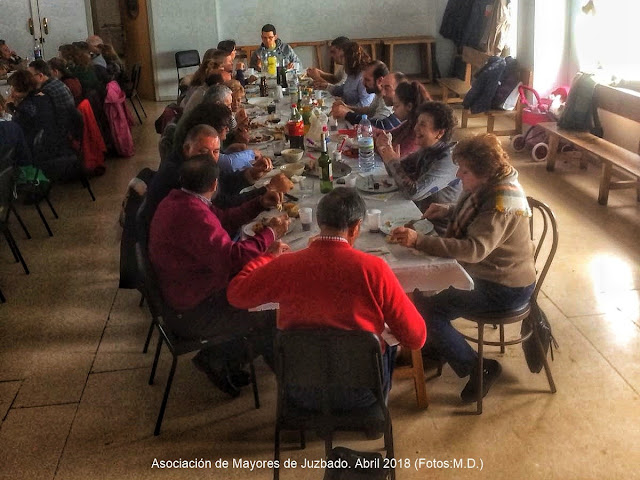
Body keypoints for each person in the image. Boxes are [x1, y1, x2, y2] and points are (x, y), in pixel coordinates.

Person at [227, 187, 426, 409]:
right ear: (356, 227)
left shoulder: (286, 265)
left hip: (299, 390)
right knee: (386, 341)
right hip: (362, 393)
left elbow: (236, 295)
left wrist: (266, 259)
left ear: (320, 223)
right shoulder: (374, 269)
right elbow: (416, 338)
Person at [389, 133, 537, 403]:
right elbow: (474, 215)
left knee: (426, 309)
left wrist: (420, 241)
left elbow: (473, 250)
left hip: (505, 286)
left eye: (465, 170)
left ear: (483, 172)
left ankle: (479, 367)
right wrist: (446, 210)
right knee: (421, 292)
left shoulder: (500, 202)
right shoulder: (492, 185)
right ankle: (438, 345)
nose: (458, 174)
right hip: (496, 274)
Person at [148, 154, 291, 396]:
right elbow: (232, 258)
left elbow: (224, 219)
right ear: (215, 185)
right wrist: (270, 234)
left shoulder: (179, 200)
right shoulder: (193, 215)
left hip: (183, 295)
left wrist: (259, 203)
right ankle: (291, 389)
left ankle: (224, 357)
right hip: (195, 310)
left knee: (261, 287)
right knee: (272, 309)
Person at [378, 101, 461, 213]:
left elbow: (413, 193)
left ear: (440, 133)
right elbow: (395, 173)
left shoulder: (449, 160)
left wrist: (392, 161)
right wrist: (386, 151)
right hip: (417, 214)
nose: (415, 128)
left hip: (437, 227)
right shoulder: (428, 149)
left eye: (422, 124)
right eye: (417, 123)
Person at [6, 69, 78, 180]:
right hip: (57, 141)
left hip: (41, 152)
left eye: (13, 88)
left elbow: (16, 131)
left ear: (20, 88)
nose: (12, 93)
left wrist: (12, 108)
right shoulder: (44, 97)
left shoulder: (26, 108)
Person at [331, 60, 399, 129]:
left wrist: (347, 114)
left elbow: (378, 126)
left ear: (379, 81)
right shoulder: (378, 94)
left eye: (367, 80)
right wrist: (347, 107)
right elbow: (370, 111)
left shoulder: (387, 98)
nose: (363, 83)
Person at [373, 80, 431, 158]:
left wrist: (374, 142)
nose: (393, 109)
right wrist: (370, 130)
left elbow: (395, 157)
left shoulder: (417, 131)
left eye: (397, 106)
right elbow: (390, 133)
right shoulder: (410, 122)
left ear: (409, 106)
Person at [28, 59, 79, 137]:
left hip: (60, 133)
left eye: (30, 76)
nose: (28, 79)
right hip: (69, 127)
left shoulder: (46, 92)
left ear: (41, 76)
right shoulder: (56, 82)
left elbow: (37, 117)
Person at [327, 42, 374, 107]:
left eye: (342, 57)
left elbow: (365, 104)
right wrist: (327, 86)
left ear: (350, 59)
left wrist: (346, 108)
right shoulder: (352, 73)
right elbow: (344, 89)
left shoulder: (363, 77)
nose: (341, 60)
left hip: (358, 114)